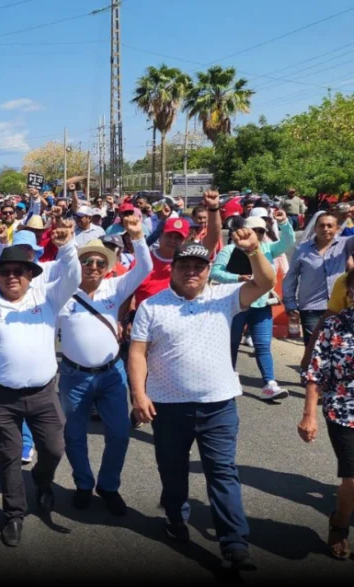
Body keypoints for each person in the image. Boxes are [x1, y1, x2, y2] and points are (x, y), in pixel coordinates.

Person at [129, 229, 277, 571]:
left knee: (222, 472)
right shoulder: (152, 307)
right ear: (174, 268)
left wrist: (254, 250)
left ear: (209, 270)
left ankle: (234, 541)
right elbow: (137, 353)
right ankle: (176, 516)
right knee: (172, 470)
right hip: (167, 406)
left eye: (199, 266)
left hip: (218, 404)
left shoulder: (223, 296)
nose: (192, 271)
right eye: (185, 265)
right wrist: (139, 394)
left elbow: (265, 282)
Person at [0, 220, 79, 547]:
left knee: (54, 449)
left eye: (19, 271)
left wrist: (67, 247)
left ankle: (41, 480)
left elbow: (74, 277)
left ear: (30, 275)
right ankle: (14, 515)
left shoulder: (48, 298)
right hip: (2, 397)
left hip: (43, 394)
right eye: (6, 271)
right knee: (9, 457)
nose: (13, 276)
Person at [57, 216, 150, 516]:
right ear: (79, 264)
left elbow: (145, 268)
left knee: (120, 433)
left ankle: (108, 486)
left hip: (112, 374)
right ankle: (83, 484)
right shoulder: (61, 294)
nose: (93, 267)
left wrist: (137, 237)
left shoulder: (115, 288)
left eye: (99, 262)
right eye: (87, 262)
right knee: (73, 435)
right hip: (73, 376)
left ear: (107, 266)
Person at [211, 209, 296, 399]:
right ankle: (227, 380)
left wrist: (283, 223)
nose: (257, 234)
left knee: (263, 345)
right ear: (244, 230)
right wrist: (237, 277)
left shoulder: (267, 249)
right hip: (236, 304)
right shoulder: (230, 250)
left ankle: (269, 383)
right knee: (231, 343)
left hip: (262, 305)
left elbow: (288, 242)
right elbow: (215, 272)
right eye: (253, 230)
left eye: (261, 231)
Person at [300, 270, 354, 560]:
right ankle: (340, 525)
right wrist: (309, 414)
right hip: (344, 409)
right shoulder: (335, 324)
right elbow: (315, 371)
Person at [284, 212, 354, 346]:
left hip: (339, 307)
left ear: (337, 229)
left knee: (336, 347)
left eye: (330, 226)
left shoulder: (345, 245)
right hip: (311, 308)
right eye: (322, 225)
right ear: (315, 228)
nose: (326, 229)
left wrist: (349, 215)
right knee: (314, 346)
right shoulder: (302, 250)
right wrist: (290, 303)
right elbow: (291, 277)